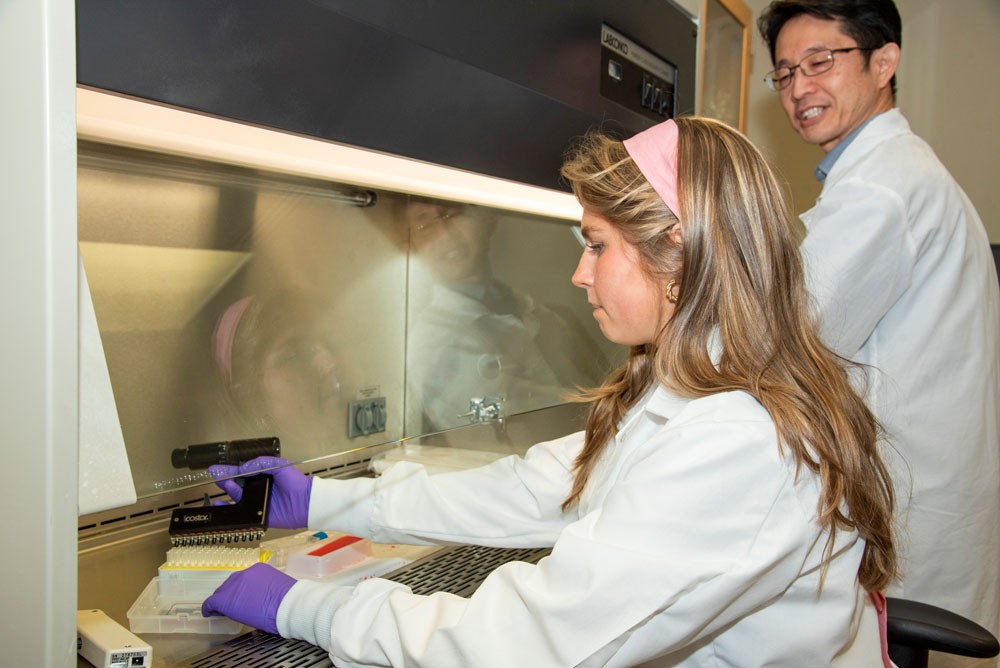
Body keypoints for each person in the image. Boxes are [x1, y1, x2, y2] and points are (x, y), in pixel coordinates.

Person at [201, 117, 897, 666]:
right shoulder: (691, 385)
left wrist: (314, 611)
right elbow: (541, 487)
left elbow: (532, 642)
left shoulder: (741, 440)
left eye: (596, 245)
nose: (578, 273)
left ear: (679, 253)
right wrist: (329, 501)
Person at [758, 0, 1000, 645]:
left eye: (820, 62)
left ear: (884, 61)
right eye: (784, 73)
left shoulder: (884, 187)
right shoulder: (881, 175)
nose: (799, 87)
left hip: (904, 508)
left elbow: (791, 340)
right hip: (907, 491)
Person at [403, 198, 609, 434]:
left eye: (454, 214)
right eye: (423, 226)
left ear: (490, 218)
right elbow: (502, 434)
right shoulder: (431, 345)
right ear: (411, 247)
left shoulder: (543, 314)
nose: (444, 234)